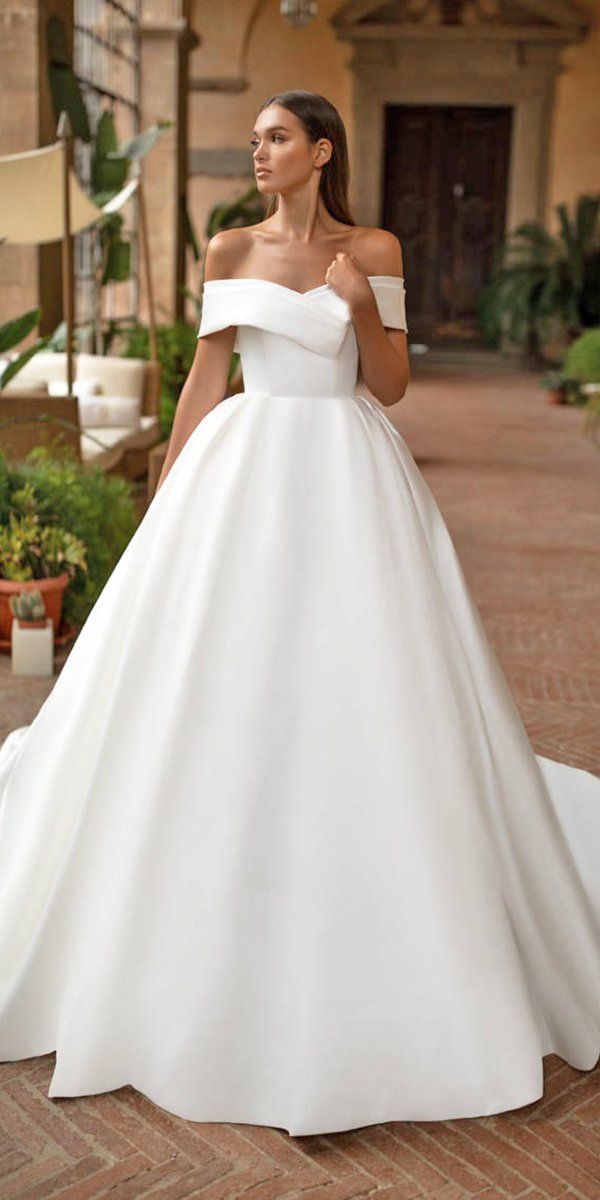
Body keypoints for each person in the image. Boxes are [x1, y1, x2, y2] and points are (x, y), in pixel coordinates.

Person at [0, 89, 598, 1139]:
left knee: (364, 682)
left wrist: (360, 305)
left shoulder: (375, 244)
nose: (260, 151)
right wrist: (164, 504)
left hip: (347, 473)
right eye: (256, 138)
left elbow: (396, 384)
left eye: (278, 137)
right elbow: (204, 379)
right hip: (239, 474)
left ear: (322, 150)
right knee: (214, 683)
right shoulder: (227, 249)